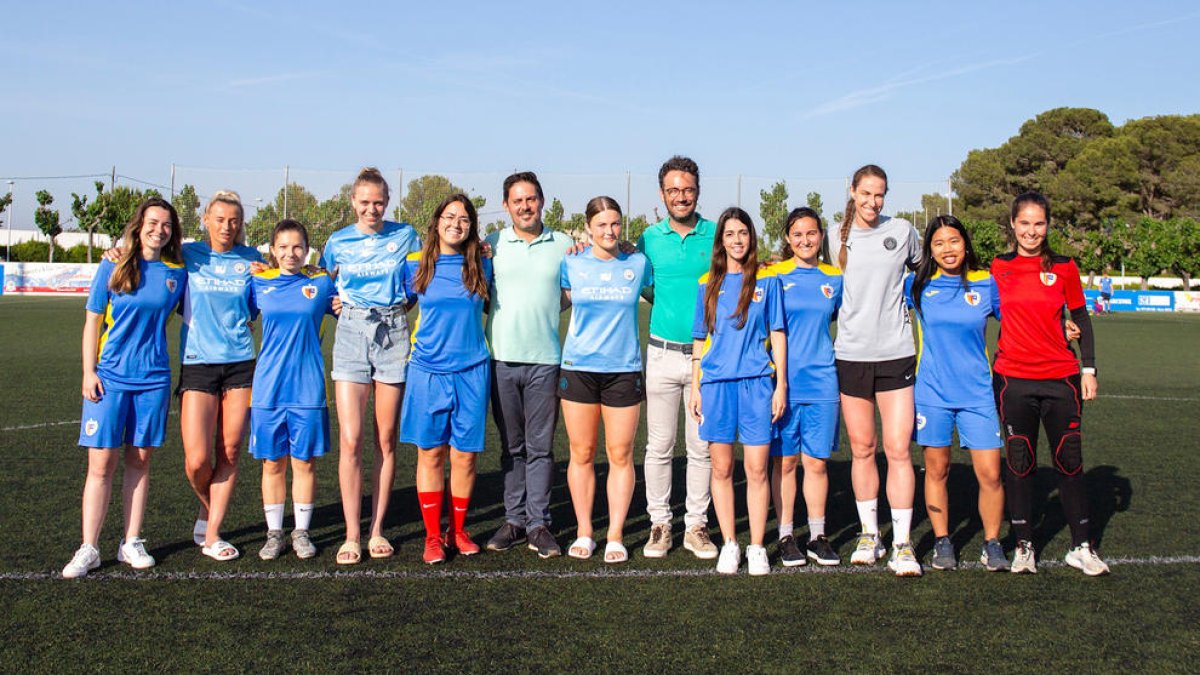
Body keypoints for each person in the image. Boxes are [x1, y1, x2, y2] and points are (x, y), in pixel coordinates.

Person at [62, 198, 186, 578]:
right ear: (139, 225)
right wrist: (88, 372)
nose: (158, 230)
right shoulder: (112, 264)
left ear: (172, 231)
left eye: (166, 225)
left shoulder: (176, 272)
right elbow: (92, 323)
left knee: (140, 460)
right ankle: (89, 548)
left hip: (153, 380)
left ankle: (131, 541)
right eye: (152, 222)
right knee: (101, 463)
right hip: (110, 378)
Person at [991, 191, 1107, 576]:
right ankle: (1024, 546)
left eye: (1038, 223)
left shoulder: (1065, 267)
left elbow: (1081, 318)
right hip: (1013, 379)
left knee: (1070, 461)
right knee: (1020, 462)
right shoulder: (997, 267)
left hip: (1062, 378)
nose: (1031, 231)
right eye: (1024, 223)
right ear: (1012, 224)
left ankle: (1082, 546)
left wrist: (1088, 369)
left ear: (1048, 225)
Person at [320, 167, 421, 565]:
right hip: (351, 333)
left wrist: (399, 309)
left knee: (385, 438)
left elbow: (417, 281)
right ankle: (351, 533)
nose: (372, 209)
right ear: (353, 202)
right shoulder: (337, 241)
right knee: (351, 438)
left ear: (387, 202)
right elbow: (323, 283)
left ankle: (377, 529)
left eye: (378, 202)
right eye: (364, 202)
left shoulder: (405, 235)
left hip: (393, 332)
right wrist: (334, 303)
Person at [833, 164, 923, 577]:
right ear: (852, 191)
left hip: (895, 354)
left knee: (900, 449)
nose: (873, 202)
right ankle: (870, 534)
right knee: (863, 448)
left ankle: (903, 543)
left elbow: (927, 270)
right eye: (866, 193)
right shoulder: (836, 234)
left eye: (880, 194)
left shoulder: (903, 231)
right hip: (851, 354)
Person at [905, 215, 1008, 572]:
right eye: (939, 243)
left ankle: (992, 543)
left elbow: (1018, 317)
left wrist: (1062, 324)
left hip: (978, 394)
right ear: (930, 251)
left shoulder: (986, 283)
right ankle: (942, 541)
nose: (948, 249)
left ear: (966, 245)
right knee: (937, 470)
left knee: (991, 473)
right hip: (932, 393)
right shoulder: (917, 286)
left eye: (954, 241)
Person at [689, 207, 787, 576]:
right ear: (721, 241)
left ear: (751, 237)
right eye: (730, 234)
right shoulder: (706, 285)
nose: (737, 240)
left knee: (758, 467)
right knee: (722, 467)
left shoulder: (767, 282)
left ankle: (758, 546)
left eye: (743, 233)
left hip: (758, 384)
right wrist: (697, 386)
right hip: (716, 385)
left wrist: (782, 385)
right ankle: (730, 543)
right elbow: (700, 339)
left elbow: (778, 334)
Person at [484, 172, 574, 559]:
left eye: (532, 199)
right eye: (518, 200)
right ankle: (514, 520)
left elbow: (572, 293)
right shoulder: (491, 244)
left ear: (541, 201)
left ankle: (538, 523)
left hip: (545, 361)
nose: (525, 206)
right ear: (506, 205)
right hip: (502, 358)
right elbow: (479, 290)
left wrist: (545, 310)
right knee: (511, 447)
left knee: (540, 448)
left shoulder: (565, 245)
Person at [399, 194, 493, 565]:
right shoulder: (415, 264)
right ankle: (433, 536)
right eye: (450, 216)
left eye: (465, 219)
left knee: (465, 457)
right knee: (431, 453)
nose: (457, 223)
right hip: (427, 371)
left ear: (472, 226)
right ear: (437, 221)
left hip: (472, 371)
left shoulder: (483, 263)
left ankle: (458, 530)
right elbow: (394, 302)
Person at [559, 197, 653, 564]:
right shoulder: (571, 262)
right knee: (581, 453)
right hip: (579, 368)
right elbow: (560, 302)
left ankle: (614, 534)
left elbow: (657, 292)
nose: (609, 231)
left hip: (623, 370)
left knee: (620, 454)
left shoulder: (638, 262)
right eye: (601, 225)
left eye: (615, 224)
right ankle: (585, 531)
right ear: (588, 228)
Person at [637, 156, 719, 560]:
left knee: (701, 445)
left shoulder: (716, 234)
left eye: (687, 189)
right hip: (661, 354)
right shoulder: (649, 238)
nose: (681, 196)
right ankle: (660, 524)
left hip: (705, 357)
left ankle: (697, 526)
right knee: (659, 445)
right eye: (673, 190)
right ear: (662, 194)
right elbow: (647, 288)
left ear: (697, 191)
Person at [177, 190, 262, 562]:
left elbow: (266, 303)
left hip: (242, 363)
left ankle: (212, 535)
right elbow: (145, 259)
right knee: (197, 460)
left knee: (228, 451)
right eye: (220, 219)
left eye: (234, 220)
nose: (227, 226)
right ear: (206, 220)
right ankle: (208, 507)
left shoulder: (253, 260)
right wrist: (116, 252)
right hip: (197, 362)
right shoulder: (186, 255)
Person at [247, 220, 337, 561]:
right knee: (272, 463)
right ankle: (274, 534)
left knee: (304, 463)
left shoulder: (321, 282)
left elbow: (343, 307)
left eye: (297, 246)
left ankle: (301, 532)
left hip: (308, 387)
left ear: (307, 250)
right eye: (283, 247)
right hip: (268, 387)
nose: (290, 253)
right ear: (272, 250)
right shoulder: (258, 282)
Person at [766, 207, 843, 567]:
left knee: (816, 462)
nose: (805, 240)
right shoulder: (773, 276)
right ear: (787, 238)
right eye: (797, 235)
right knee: (785, 462)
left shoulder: (835, 278)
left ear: (821, 235)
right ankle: (785, 534)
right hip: (782, 384)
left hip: (823, 382)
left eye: (811, 233)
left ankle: (817, 534)